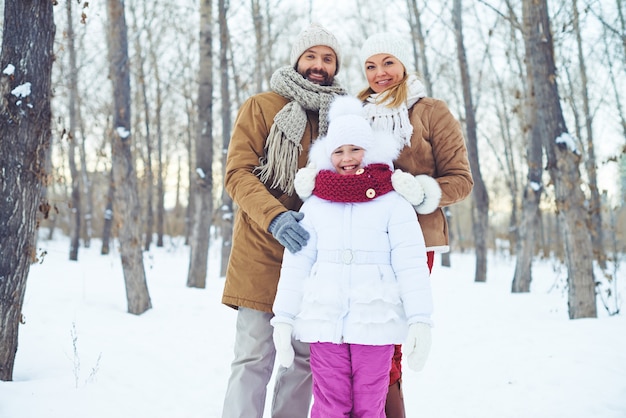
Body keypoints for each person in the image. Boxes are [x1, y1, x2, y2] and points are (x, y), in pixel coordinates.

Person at [271, 95, 434, 418]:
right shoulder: (316, 205)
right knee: (330, 405)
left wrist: (420, 320)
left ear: (369, 150)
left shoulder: (393, 203)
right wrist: (284, 318)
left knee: (369, 406)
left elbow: (411, 265)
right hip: (324, 323)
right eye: (339, 151)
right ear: (329, 156)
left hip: (375, 325)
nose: (348, 158)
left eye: (355, 149)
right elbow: (297, 264)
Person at [220, 23, 346, 418]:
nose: (318, 65)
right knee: (254, 356)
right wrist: (275, 217)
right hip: (261, 249)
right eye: (311, 56)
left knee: (304, 360)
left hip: (315, 257)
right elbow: (237, 174)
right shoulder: (262, 106)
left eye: (327, 58)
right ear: (297, 60)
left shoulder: (344, 115)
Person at [357, 32, 474, 417]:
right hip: (360, 240)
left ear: (404, 64)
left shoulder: (430, 111)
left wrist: (420, 190)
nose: (380, 73)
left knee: (391, 337)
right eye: (370, 66)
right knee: (361, 336)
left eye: (388, 62)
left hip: (414, 239)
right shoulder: (353, 110)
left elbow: (461, 179)